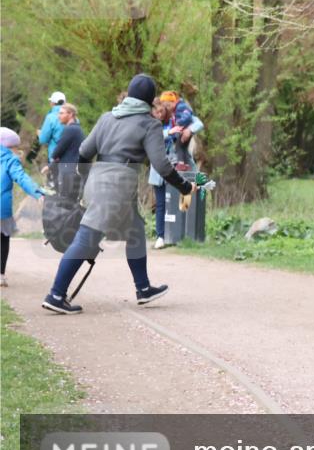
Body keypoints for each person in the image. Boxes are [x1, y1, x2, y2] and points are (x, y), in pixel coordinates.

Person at [40, 74, 197, 315]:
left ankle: (143, 289)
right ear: (148, 100)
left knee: (134, 230)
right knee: (86, 239)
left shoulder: (107, 117)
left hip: (97, 180)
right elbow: (162, 165)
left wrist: (85, 181)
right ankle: (56, 294)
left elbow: (84, 152)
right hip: (118, 185)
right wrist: (185, 187)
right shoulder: (149, 123)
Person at [148, 94, 203, 248]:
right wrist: (170, 133)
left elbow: (198, 123)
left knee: (182, 199)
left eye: (161, 112)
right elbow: (151, 137)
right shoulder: (151, 124)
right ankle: (161, 236)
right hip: (159, 168)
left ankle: (185, 235)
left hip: (179, 167)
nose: (158, 115)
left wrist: (189, 131)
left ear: (166, 109)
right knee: (160, 203)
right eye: (155, 113)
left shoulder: (177, 117)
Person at [1, 127, 47, 287]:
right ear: (9, 146)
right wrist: (38, 193)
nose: (16, 150)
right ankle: (0, 275)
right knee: (3, 239)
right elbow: (21, 178)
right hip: (2, 209)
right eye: (14, 147)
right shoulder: (10, 160)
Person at [48, 103, 85, 199]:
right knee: (70, 203)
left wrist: (53, 159)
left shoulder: (70, 129)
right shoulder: (77, 129)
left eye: (61, 113)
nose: (58, 116)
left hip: (68, 171)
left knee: (65, 203)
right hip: (74, 171)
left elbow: (58, 151)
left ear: (71, 114)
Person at [38, 91, 67, 164]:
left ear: (52, 103)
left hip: (55, 157)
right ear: (64, 103)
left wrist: (40, 134)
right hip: (72, 158)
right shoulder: (74, 118)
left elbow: (43, 140)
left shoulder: (50, 117)